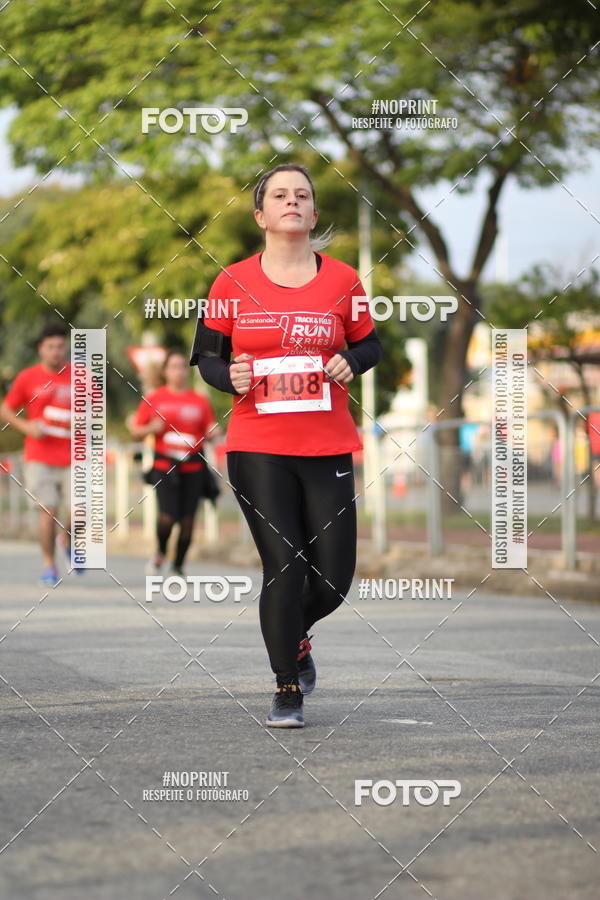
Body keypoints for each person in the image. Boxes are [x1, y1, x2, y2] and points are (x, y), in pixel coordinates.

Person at [190, 163, 382, 728]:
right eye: (280, 195)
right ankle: (286, 688)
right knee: (285, 566)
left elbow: (370, 345)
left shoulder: (344, 279)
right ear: (261, 214)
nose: (292, 201)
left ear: (314, 213)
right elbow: (206, 356)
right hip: (258, 444)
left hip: (327, 444)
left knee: (334, 578)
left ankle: (295, 637)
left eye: (302, 195)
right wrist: (230, 379)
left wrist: (352, 360)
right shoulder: (231, 282)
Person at [128, 348, 219, 576]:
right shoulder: (154, 398)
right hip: (164, 467)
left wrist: (213, 432)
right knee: (167, 518)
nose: (179, 372)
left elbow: (210, 428)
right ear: (165, 371)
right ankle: (160, 552)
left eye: (182, 367)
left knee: (187, 522)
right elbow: (136, 431)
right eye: (174, 367)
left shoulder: (199, 401)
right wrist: (151, 428)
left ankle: (178, 565)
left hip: (193, 467)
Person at [0, 322, 75, 586]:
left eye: (60, 346)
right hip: (39, 456)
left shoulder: (80, 376)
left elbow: (96, 409)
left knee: (81, 512)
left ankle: (68, 538)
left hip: (74, 455)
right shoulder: (27, 377)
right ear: (41, 349)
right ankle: (49, 566)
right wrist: (27, 427)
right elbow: (5, 409)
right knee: (48, 510)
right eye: (51, 347)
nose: (56, 352)